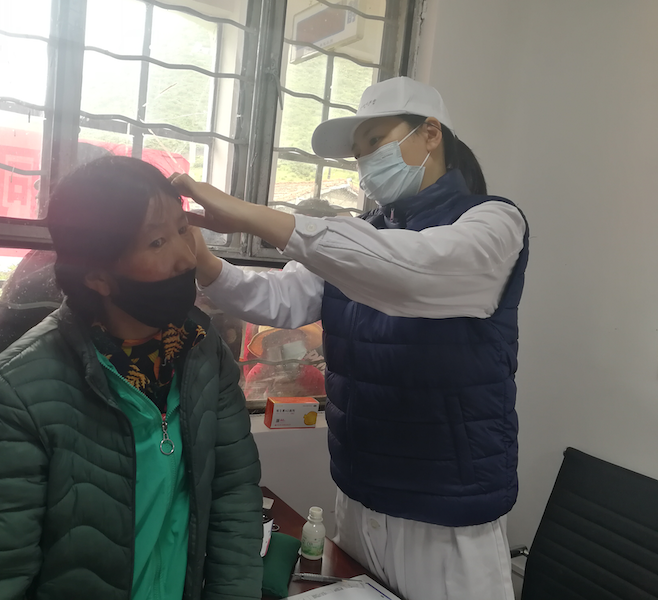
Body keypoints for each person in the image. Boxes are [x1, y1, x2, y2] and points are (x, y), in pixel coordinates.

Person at [172, 77, 528, 600]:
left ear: (431, 134)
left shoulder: (493, 223)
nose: (364, 163)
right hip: (360, 492)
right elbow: (280, 299)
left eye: (375, 142)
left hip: (445, 511)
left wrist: (254, 215)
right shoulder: (365, 232)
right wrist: (205, 263)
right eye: (358, 153)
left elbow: (411, 273)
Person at [0, 156, 263, 600]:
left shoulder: (202, 350)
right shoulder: (11, 397)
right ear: (98, 277)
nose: (187, 258)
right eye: (157, 241)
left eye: (183, 229)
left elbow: (233, 496)